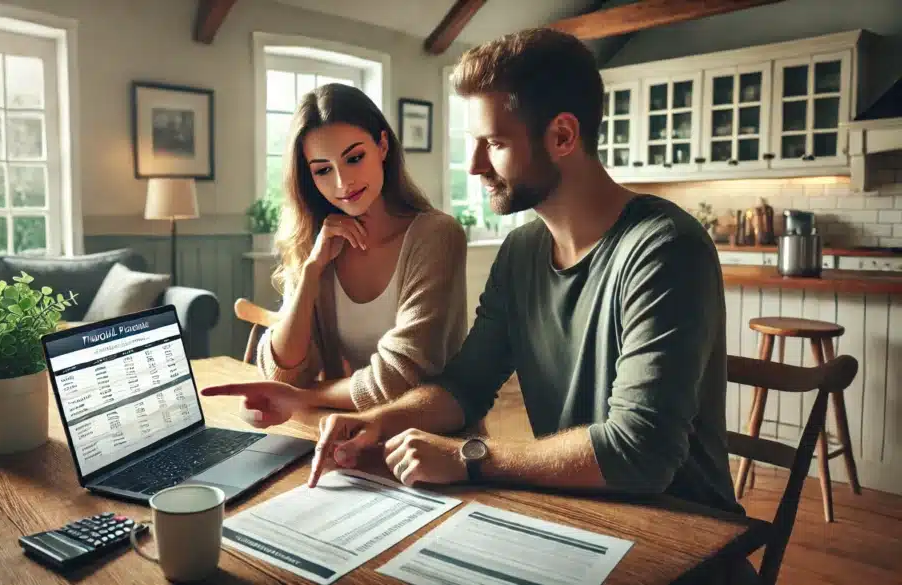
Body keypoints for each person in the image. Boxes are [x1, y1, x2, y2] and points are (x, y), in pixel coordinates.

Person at [308, 28, 743, 522]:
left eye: (493, 143)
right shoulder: (521, 251)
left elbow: (639, 454)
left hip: (681, 534)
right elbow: (465, 385)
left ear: (562, 136)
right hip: (572, 513)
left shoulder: (665, 248)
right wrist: (373, 422)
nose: (473, 167)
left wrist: (466, 457)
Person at [202, 83, 469, 425]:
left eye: (354, 158)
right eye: (323, 170)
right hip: (343, 436)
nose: (343, 183)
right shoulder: (318, 243)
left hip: (432, 446)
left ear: (382, 145)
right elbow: (281, 376)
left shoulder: (436, 236)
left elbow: (401, 378)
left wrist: (303, 398)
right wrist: (311, 271)